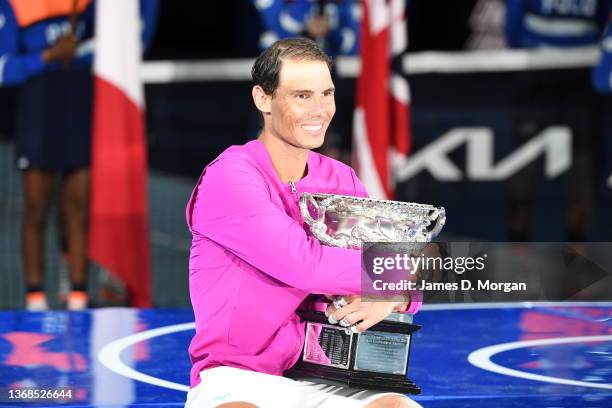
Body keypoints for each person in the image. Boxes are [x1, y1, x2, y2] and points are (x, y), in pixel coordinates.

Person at [185, 38, 421, 408]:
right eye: (302, 96)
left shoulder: (342, 178)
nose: (320, 109)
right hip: (239, 376)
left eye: (326, 94)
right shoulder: (229, 177)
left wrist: (394, 296)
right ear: (263, 99)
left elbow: (400, 272)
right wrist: (399, 273)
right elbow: (304, 264)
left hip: (333, 374)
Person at [0, 0, 157, 310]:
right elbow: (4, 67)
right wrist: (48, 57)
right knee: (36, 208)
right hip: (38, 109)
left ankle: (77, 296)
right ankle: (35, 300)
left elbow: (119, 41)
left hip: (80, 108)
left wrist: (79, 54)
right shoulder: (14, 4)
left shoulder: (90, 5)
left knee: (78, 207)